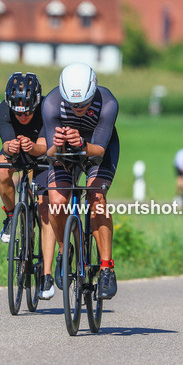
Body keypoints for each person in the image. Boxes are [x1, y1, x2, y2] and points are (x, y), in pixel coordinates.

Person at [43, 62, 120, 300]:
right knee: (56, 200)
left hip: (97, 147)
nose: (78, 108)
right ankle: (65, 253)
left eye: (83, 104)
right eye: (73, 104)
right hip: (65, 150)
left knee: (96, 197)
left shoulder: (107, 102)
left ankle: (107, 268)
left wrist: (81, 144)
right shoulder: (51, 104)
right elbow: (50, 154)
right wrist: (58, 143)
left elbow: (98, 151)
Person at [0, 72, 57, 300]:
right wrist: (11, 147)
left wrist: (32, 147)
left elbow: (43, 147)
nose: (23, 116)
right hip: (18, 151)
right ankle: (11, 217)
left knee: (45, 206)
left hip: (42, 154)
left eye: (28, 111)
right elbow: (6, 144)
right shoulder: (2, 110)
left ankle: (47, 274)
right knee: (1, 168)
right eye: (18, 112)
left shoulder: (47, 108)